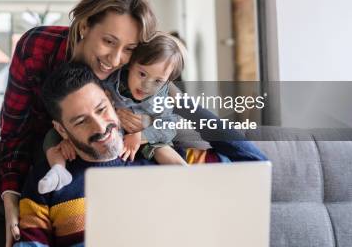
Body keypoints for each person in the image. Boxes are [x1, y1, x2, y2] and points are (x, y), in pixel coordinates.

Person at [14, 62, 265, 247]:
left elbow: (255, 167)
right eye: (81, 121)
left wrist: (185, 105)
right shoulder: (48, 181)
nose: (101, 128)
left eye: (102, 109)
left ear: (113, 103)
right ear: (61, 129)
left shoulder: (163, 158)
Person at [0, 0, 158, 246]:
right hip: (50, 163)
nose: (116, 59)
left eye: (129, 48)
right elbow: (15, 132)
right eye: (108, 41)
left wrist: (146, 125)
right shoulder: (37, 48)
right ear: (84, 26)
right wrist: (11, 195)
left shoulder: (135, 69)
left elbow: (178, 108)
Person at [37, 33, 189, 194]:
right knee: (52, 137)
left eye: (158, 81)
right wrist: (68, 139)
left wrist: (141, 135)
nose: (146, 85)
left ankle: (187, 175)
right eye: (142, 74)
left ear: (167, 82)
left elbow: (170, 125)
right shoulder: (111, 79)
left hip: (145, 138)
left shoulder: (161, 97)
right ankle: (58, 170)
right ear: (131, 64)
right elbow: (89, 101)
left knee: (161, 148)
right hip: (113, 131)